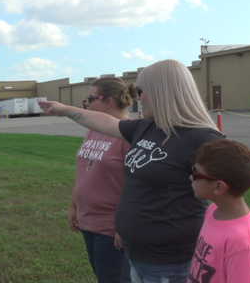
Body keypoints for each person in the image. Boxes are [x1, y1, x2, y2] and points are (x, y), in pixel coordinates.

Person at [39, 59, 224, 283]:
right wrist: (65, 110)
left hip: (170, 262)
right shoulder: (146, 128)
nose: (137, 97)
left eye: (140, 90)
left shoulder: (202, 138)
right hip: (138, 255)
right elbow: (105, 123)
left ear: (160, 92)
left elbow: (226, 196)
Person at [70, 77, 135, 283]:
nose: (87, 104)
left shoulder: (129, 133)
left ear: (108, 101)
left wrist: (124, 227)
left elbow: (136, 186)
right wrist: (74, 206)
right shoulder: (94, 128)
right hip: (88, 221)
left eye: (91, 98)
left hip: (110, 227)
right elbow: (83, 169)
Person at [187, 139, 250, 283]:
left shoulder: (241, 242)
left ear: (218, 187)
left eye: (196, 174)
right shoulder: (213, 210)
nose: (191, 177)